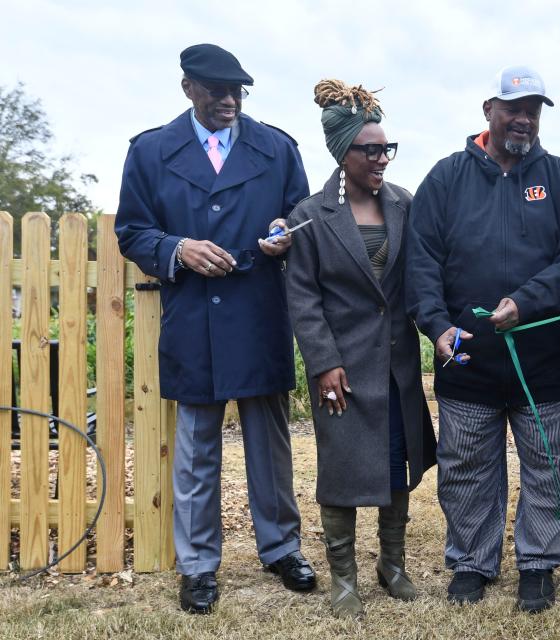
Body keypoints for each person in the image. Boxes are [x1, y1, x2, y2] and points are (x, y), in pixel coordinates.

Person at [115, 44, 315, 615]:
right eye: (216, 92)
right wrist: (177, 248)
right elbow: (132, 232)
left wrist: (285, 229)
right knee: (197, 451)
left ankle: (281, 550)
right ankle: (199, 566)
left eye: (238, 92)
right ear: (188, 89)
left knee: (270, 449)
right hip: (193, 316)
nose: (230, 101)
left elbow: (300, 212)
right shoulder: (151, 151)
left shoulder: (277, 148)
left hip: (258, 311)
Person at [406, 65, 560, 613]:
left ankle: (538, 565)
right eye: (513, 108)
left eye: (533, 111)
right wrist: (437, 325)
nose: (523, 120)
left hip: (546, 362)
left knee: (550, 465)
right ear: (487, 111)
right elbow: (421, 264)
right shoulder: (445, 179)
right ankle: (471, 562)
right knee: (466, 467)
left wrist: (530, 300)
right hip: (466, 359)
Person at [284, 80, 437, 618]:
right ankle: (344, 577)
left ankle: (391, 565)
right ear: (341, 154)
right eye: (369, 150)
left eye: (386, 149)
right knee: (343, 470)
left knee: (398, 464)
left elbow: (419, 279)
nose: (381, 159)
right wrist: (324, 363)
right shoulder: (312, 214)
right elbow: (302, 297)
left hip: (396, 365)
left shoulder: (404, 204)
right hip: (342, 369)